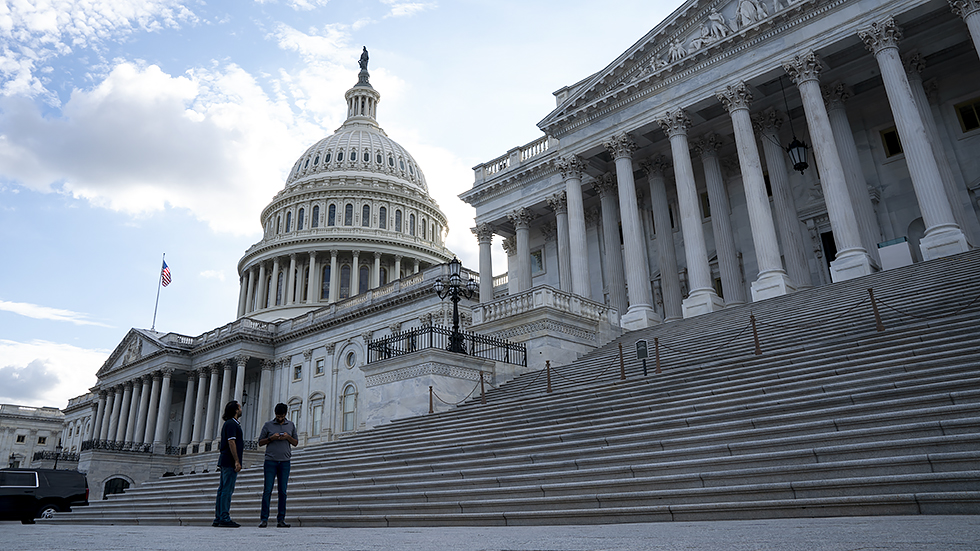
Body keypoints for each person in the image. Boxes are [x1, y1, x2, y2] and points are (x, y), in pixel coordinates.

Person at [258, 403, 298, 528]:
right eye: (278, 416)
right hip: (270, 461)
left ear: (285, 414)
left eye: (281, 416)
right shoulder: (268, 425)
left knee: (283, 491)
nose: (280, 418)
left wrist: (288, 437)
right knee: (267, 490)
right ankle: (264, 519)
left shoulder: (291, 425)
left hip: (285, 461)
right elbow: (260, 442)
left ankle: (281, 519)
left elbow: (296, 442)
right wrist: (271, 438)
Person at [213, 400, 243, 528]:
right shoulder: (232, 424)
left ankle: (219, 517)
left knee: (222, 489)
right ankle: (224, 517)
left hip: (225, 459)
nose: (241, 409)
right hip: (229, 460)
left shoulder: (229, 423)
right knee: (227, 489)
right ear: (236, 410)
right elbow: (232, 442)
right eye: (239, 407)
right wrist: (237, 460)